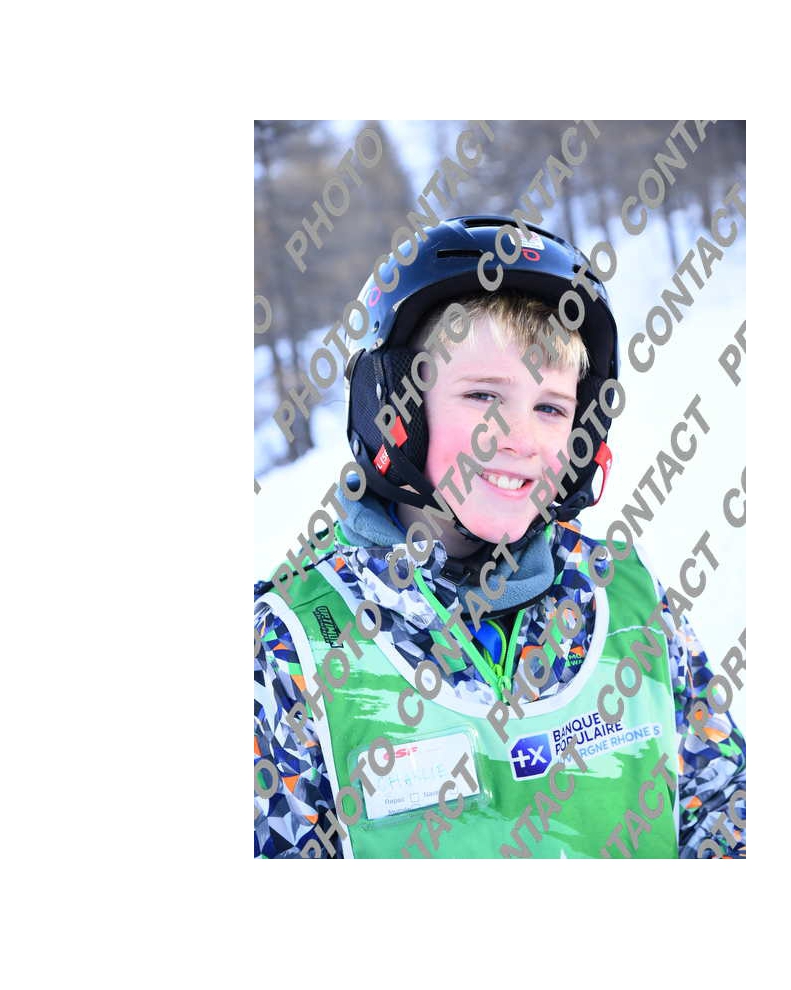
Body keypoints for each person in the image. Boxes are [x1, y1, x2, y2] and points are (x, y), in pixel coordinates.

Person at [254, 216, 746, 859]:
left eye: (551, 407)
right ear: (395, 409)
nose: (520, 439)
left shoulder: (626, 599)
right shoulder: (296, 642)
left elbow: (724, 805)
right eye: (484, 396)